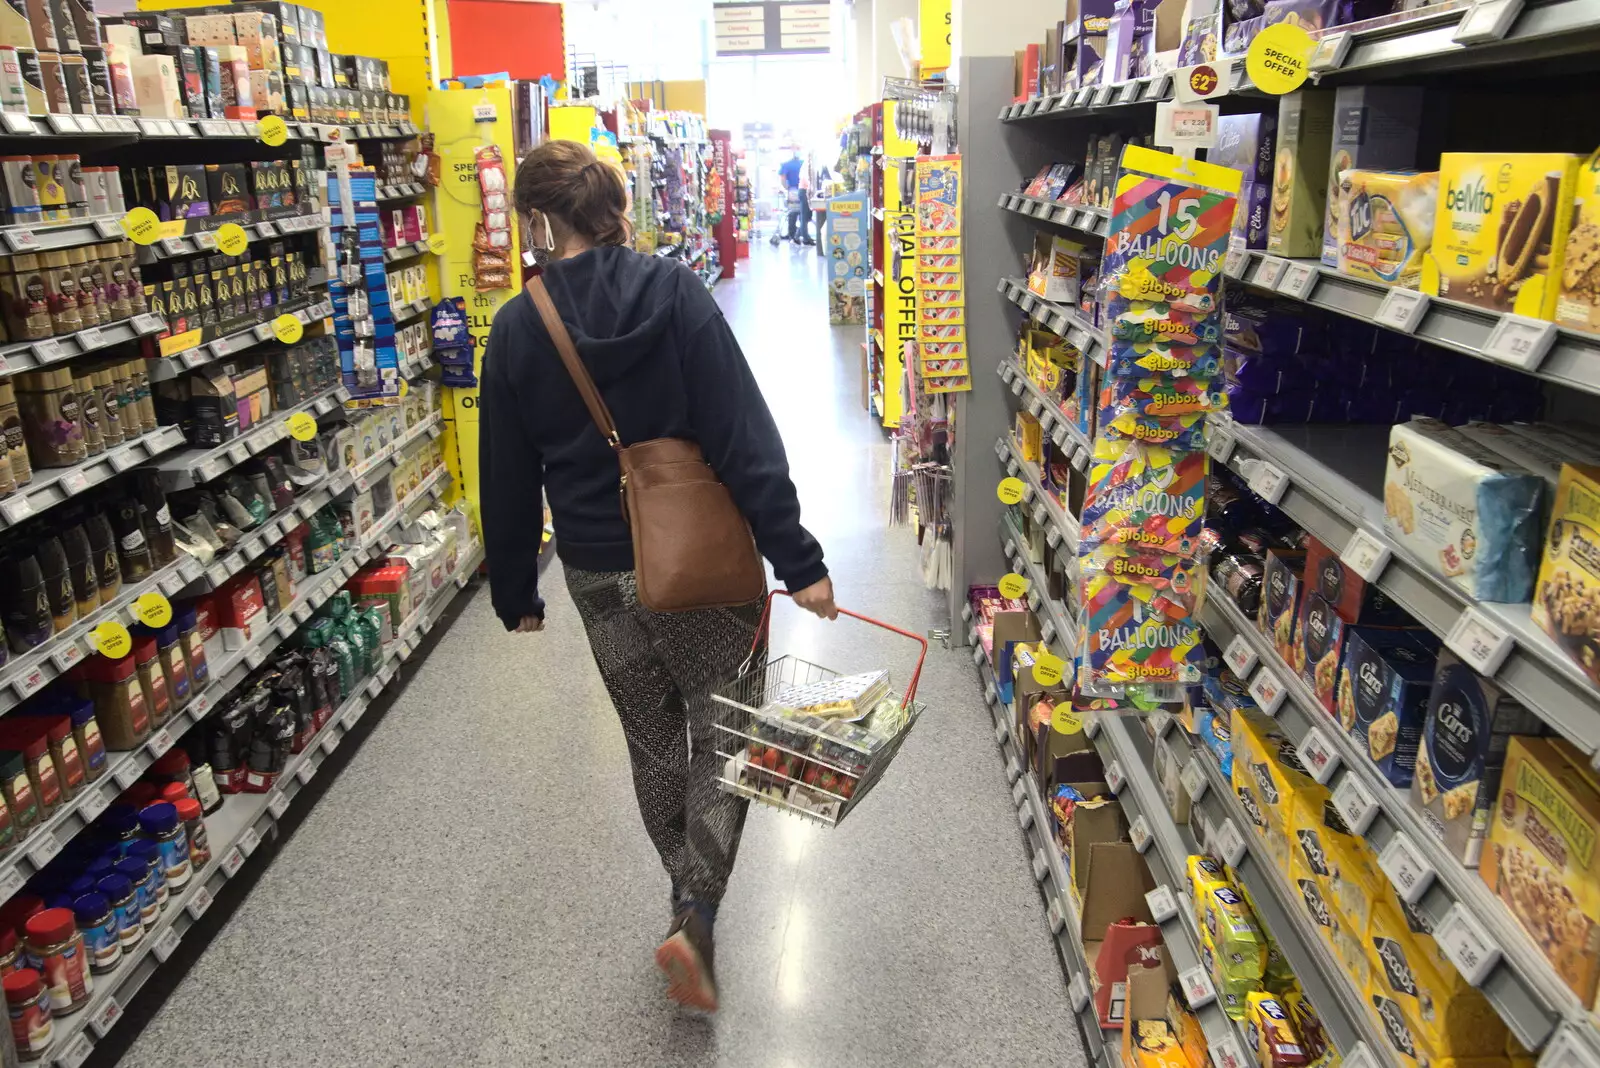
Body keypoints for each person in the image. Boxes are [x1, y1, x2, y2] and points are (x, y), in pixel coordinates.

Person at [477, 140, 836, 1014]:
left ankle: (682, 890)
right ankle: (698, 908)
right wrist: (800, 560)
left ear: (539, 220)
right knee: (727, 730)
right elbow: (741, 432)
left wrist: (516, 591)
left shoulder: (518, 325)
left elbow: (504, 469)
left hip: (599, 570)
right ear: (610, 207)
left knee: (653, 739)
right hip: (704, 564)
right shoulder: (674, 291)